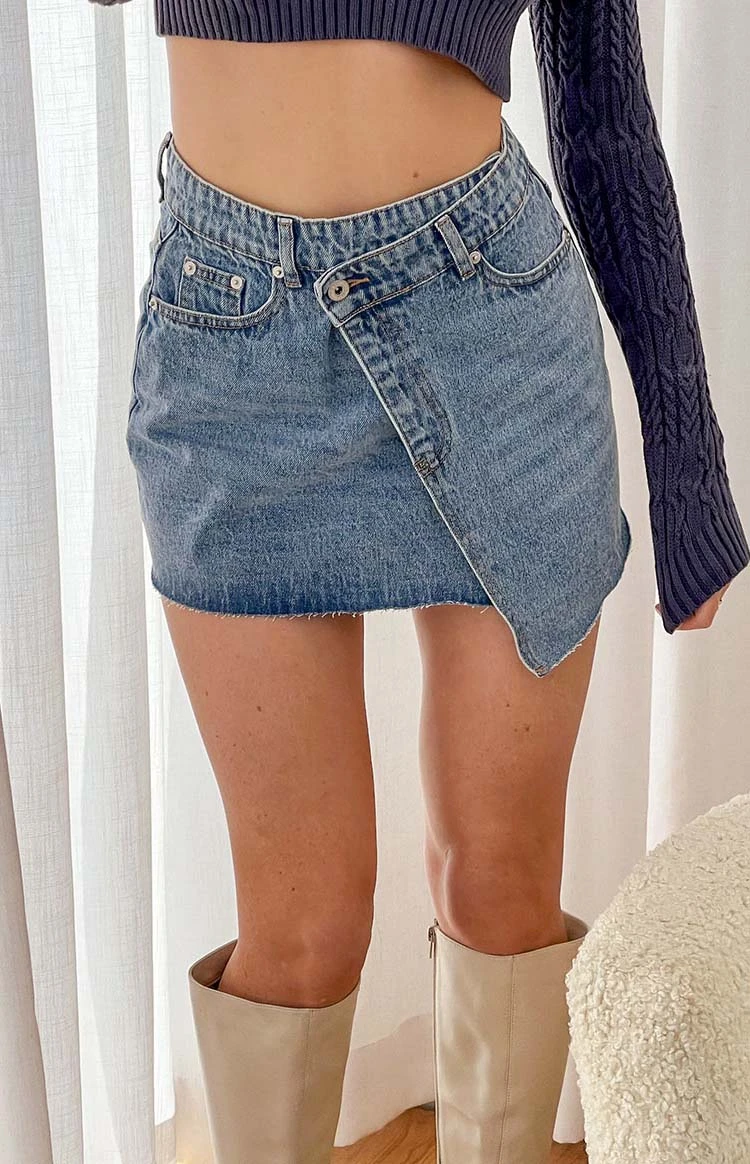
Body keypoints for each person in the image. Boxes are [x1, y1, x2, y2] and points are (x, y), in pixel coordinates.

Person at [94, 0, 748, 1158]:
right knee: (301, 934)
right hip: (228, 336)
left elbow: (603, 118)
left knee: (500, 886)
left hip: (493, 317)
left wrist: (689, 469)